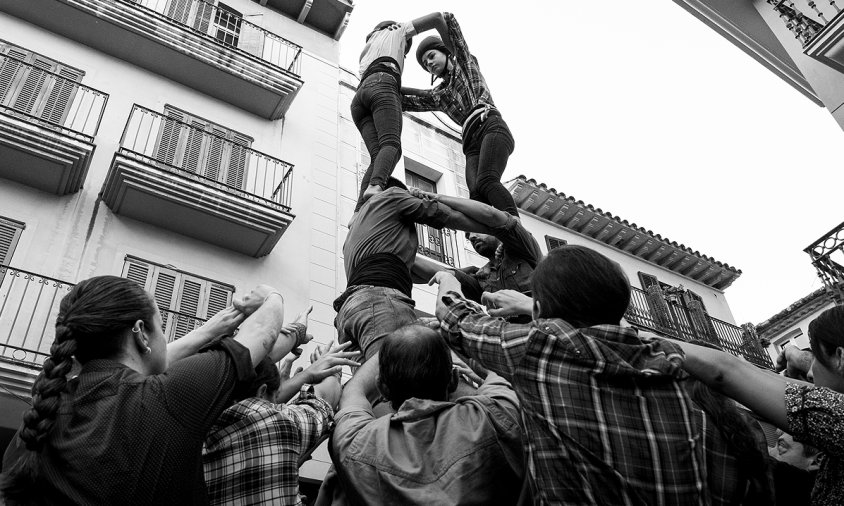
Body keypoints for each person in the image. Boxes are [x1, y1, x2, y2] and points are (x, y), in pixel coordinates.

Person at [431, 245, 726, 505]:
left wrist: (448, 279)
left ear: (537, 309)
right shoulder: (669, 361)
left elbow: (456, 320)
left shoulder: (544, 347)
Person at [0, 276, 297, 505]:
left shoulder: (35, 425)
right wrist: (271, 295)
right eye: (160, 324)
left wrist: (208, 332)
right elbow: (263, 332)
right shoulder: (168, 398)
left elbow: (152, 362)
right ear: (141, 332)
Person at [329, 324, 525, 505]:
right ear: (454, 379)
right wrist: (452, 337)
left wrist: (399, 343)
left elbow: (353, 392)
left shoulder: (354, 442)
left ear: (382, 388)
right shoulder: (495, 417)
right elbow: (498, 372)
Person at [671, 305, 844, 506]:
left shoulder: (838, 415)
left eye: (817, 359)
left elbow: (724, 371)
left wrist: (640, 338)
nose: (811, 374)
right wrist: (795, 355)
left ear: (840, 357)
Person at [334, 177, 489, 363]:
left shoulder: (360, 232)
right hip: (379, 302)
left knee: (368, 388)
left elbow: (411, 269)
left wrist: (458, 274)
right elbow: (442, 214)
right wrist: (495, 227)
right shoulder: (392, 195)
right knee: (400, 377)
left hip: (348, 313)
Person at [203, 326, 359, 506]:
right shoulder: (279, 424)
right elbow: (324, 398)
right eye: (274, 399)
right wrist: (332, 369)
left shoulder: (194, 426)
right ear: (262, 392)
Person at [401, 12, 519, 216]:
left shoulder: (465, 65)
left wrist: (422, 24)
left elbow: (450, 25)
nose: (429, 63)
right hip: (471, 144)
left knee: (487, 181)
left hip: (490, 126)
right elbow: (407, 103)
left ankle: (515, 227)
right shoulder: (438, 96)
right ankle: (488, 240)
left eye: (431, 56)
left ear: (445, 52)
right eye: (425, 64)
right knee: (475, 195)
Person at [352, 15, 442, 209]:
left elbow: (383, 81)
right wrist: (452, 48)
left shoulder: (368, 49)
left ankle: (358, 212)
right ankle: (375, 187)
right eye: (406, 49)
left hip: (359, 100)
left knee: (378, 156)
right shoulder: (397, 30)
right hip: (382, 85)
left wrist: (423, 93)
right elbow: (437, 17)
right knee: (392, 145)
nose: (404, 53)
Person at [410, 188, 541, 305]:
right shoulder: (483, 278)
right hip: (514, 331)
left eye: (475, 230)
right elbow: (441, 274)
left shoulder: (521, 244)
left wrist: (436, 197)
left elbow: (490, 214)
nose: (471, 237)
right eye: (467, 236)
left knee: (486, 181)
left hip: (549, 325)